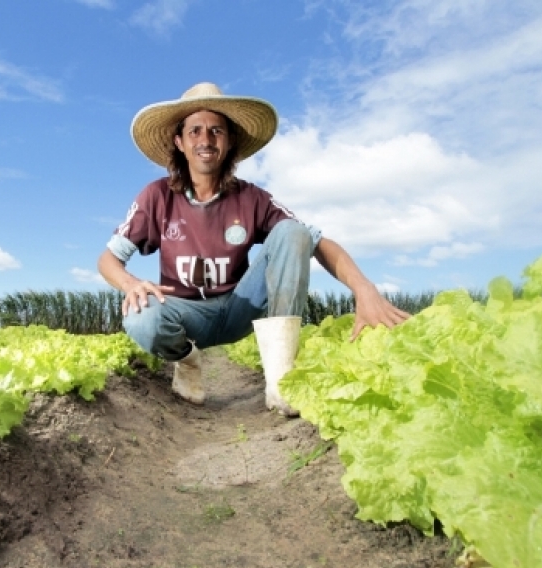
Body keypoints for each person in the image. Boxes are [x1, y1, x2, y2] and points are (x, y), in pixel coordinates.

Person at [98, 82, 409, 416]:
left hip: (239, 307)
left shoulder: (252, 198)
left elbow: (317, 242)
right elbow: (108, 259)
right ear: (180, 142)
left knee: (293, 231)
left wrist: (364, 289)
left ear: (229, 142)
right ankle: (188, 362)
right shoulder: (156, 196)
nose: (206, 140)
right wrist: (129, 283)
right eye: (195, 131)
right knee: (140, 316)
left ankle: (281, 381)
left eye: (216, 131)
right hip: (185, 315)